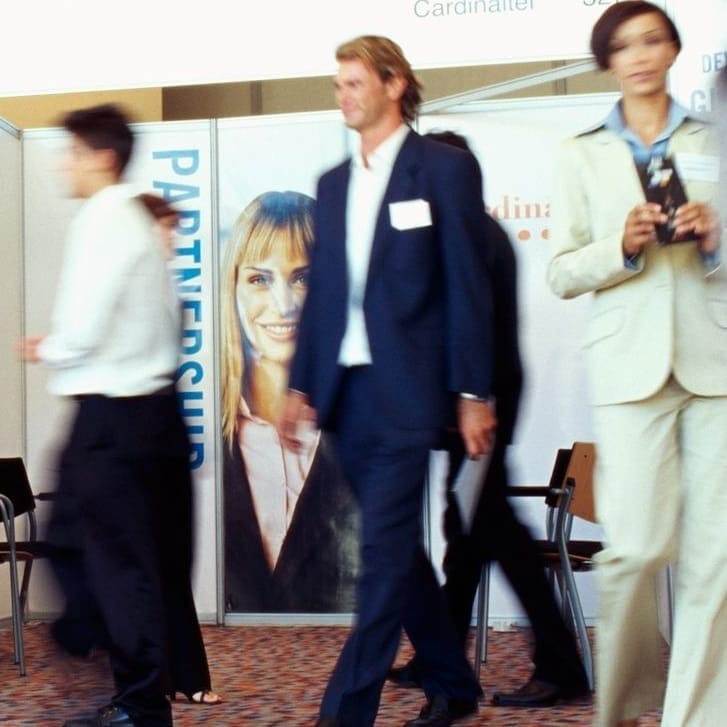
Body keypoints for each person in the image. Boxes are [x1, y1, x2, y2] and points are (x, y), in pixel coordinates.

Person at [278, 35, 496, 727]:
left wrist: (472, 391)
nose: (340, 94)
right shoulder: (333, 185)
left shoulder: (442, 169)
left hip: (408, 394)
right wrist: (298, 383)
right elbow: (324, 294)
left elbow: (467, 285)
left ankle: (343, 714)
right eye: (336, 84)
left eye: (352, 82)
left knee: (377, 562)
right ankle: (453, 684)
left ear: (393, 84)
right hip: (348, 396)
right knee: (397, 552)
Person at [547, 4, 726, 726]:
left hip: (714, 363)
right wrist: (619, 246)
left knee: (714, 560)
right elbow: (560, 271)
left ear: (675, 48)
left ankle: (695, 717)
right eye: (621, 46)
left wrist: (715, 237)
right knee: (636, 550)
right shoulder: (579, 151)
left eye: (652, 39)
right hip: (627, 367)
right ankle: (618, 711)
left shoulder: (713, 140)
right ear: (606, 61)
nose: (639, 55)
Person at [388, 130, 590, 708]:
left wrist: (467, 404)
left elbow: (469, 328)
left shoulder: (472, 233)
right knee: (470, 533)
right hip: (479, 404)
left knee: (496, 533)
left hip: (482, 407)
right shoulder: (474, 229)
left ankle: (560, 666)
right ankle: (442, 654)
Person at [18, 104, 197, 727]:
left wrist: (52, 346)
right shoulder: (137, 222)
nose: (63, 163)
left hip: (112, 419)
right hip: (148, 414)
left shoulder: (103, 218)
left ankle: (136, 700)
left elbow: (84, 324)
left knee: (104, 563)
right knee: (104, 556)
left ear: (103, 156)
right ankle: (127, 684)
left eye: (71, 152)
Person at [220, 190, 358, 612]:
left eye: (304, 278)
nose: (285, 304)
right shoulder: (211, 435)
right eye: (260, 279)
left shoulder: (359, 422)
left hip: (324, 652)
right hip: (240, 660)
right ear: (234, 288)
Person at [136, 192, 222, 707]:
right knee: (144, 570)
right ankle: (161, 679)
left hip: (162, 441)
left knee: (167, 563)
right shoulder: (132, 287)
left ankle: (186, 675)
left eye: (172, 229)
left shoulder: (166, 286)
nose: (170, 238)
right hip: (136, 445)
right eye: (162, 228)